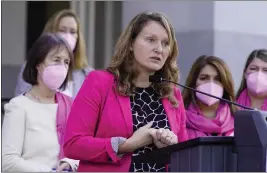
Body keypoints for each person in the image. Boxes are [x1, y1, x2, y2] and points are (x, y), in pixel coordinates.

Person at [63, 12, 188, 172]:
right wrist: (127, 145)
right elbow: (73, 144)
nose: (159, 49)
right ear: (131, 43)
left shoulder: (173, 94)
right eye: (151, 40)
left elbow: (185, 156)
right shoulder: (99, 82)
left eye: (165, 43)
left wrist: (172, 145)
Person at [2, 33, 79, 172]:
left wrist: (69, 163)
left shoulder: (71, 105)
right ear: (38, 64)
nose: (62, 67)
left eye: (66, 62)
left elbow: (83, 149)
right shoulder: (19, 107)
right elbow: (7, 162)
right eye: (56, 60)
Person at [14, 9, 93, 98]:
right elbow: (21, 100)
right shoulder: (32, 66)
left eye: (72, 32)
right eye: (62, 30)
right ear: (51, 33)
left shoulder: (87, 74)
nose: (67, 36)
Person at [182, 55, 236, 140]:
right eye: (204, 78)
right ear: (193, 83)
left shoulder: (239, 120)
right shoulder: (179, 117)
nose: (211, 84)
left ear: (225, 84)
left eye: (217, 79)